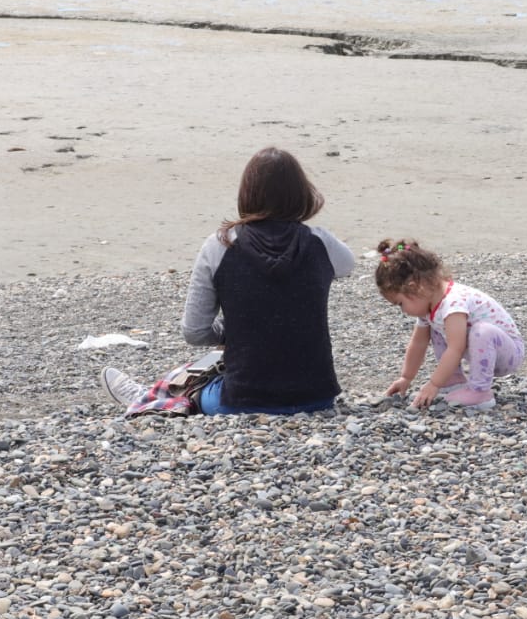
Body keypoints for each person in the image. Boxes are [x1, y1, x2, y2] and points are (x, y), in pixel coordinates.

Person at [101, 146, 356, 417]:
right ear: (302, 193)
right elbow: (347, 265)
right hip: (316, 398)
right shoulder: (321, 243)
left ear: (247, 193)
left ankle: (144, 397)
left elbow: (194, 331)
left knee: (190, 379)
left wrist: (232, 331)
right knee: (201, 373)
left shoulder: (219, 245)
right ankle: (148, 396)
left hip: (244, 399)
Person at [376, 239, 525, 411]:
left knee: (481, 331)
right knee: (437, 330)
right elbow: (418, 344)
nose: (403, 311)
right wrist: (406, 378)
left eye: (400, 304)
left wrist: (433, 384)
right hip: (483, 353)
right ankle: (453, 380)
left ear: (415, 288)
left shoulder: (453, 303)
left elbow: (456, 348)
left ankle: (480, 391)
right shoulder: (429, 308)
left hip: (508, 354)